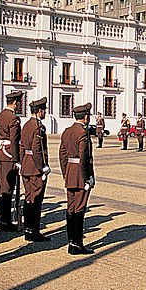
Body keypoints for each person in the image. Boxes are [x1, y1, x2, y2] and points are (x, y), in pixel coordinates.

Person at [59, 102, 95, 255]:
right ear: (85, 116)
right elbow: (84, 157)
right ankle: (77, 243)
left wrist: (65, 173)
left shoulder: (67, 131)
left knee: (71, 208)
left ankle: (71, 242)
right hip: (80, 174)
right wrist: (87, 178)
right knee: (79, 209)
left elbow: (62, 155)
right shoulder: (82, 133)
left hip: (70, 172)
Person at [21, 97, 50, 242]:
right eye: (44, 110)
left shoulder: (26, 125)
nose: (45, 113)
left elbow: (21, 147)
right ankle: (33, 230)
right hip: (34, 168)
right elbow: (37, 149)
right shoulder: (38, 127)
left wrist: (21, 162)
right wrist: (42, 167)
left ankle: (28, 228)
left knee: (28, 198)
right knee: (36, 199)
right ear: (39, 111)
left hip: (26, 166)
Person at [0, 91, 23, 231]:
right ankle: (5, 221)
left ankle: (3, 219)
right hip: (9, 155)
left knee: (2, 187)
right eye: (19, 102)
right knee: (7, 188)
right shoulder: (13, 118)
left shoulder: (0, 115)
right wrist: (16, 158)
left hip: (0, 154)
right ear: (15, 102)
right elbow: (14, 140)